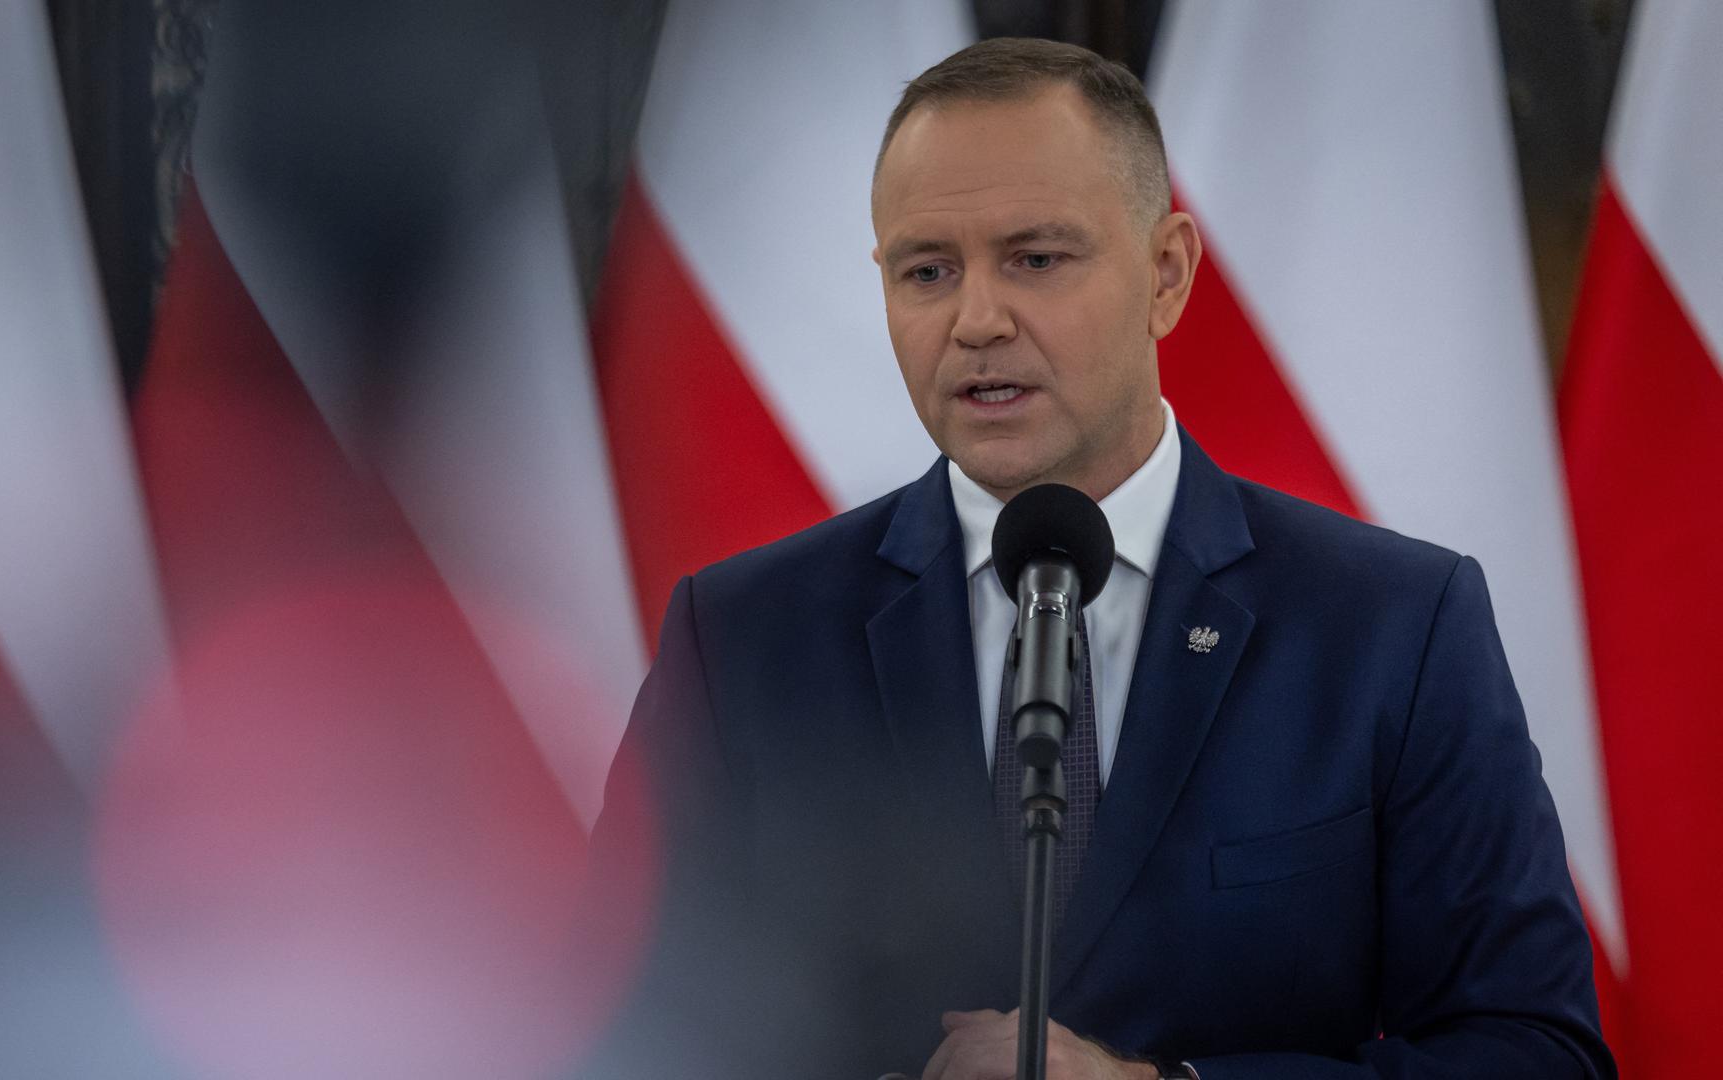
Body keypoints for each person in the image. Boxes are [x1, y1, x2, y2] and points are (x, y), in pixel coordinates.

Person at [580, 38, 1614, 1080]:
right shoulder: (746, 636)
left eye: (1036, 258)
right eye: (928, 270)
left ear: (1166, 273)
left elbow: (1537, 1052)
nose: (977, 321)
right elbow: (604, 1040)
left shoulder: (1395, 627)